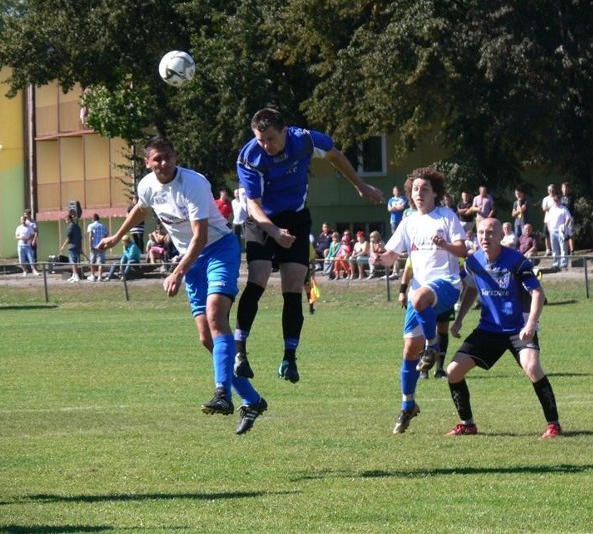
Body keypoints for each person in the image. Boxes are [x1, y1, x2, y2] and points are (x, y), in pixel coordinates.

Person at [97, 136, 267, 435]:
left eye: (167, 157)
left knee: (216, 315)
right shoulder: (147, 185)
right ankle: (252, 399)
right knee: (206, 338)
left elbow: (200, 238)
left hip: (217, 249)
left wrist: (176, 272)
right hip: (192, 261)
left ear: (175, 156)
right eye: (156, 159)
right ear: (147, 163)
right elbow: (141, 207)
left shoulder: (194, 183)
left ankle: (222, 394)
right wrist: (115, 235)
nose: (163, 163)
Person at [234, 107, 384, 384]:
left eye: (270, 138)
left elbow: (335, 154)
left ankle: (289, 358)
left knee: (293, 287)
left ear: (285, 131)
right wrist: (274, 231)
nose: (265, 145)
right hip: (262, 220)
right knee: (258, 278)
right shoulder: (249, 157)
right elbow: (253, 206)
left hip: (295, 218)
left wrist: (360, 185)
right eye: (260, 139)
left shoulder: (304, 140)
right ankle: (240, 353)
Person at [369, 167, 467, 434]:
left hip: (446, 284)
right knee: (410, 351)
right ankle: (407, 405)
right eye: (415, 189)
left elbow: (464, 250)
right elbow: (391, 256)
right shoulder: (409, 221)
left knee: (420, 295)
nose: (419, 193)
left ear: (435, 192)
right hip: (418, 294)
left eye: (425, 189)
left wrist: (445, 245)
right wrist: (378, 257)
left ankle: (433, 346)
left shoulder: (446, 217)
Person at [446, 217, 561, 438]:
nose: (485, 237)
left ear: (501, 236)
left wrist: (531, 324)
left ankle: (554, 425)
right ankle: (467, 424)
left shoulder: (517, 261)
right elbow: (470, 288)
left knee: (533, 368)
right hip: (489, 330)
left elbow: (538, 293)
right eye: (481, 233)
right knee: (453, 371)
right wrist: (459, 318)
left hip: (519, 328)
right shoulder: (474, 262)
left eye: (490, 233)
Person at [547, 194, 572, 269]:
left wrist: (564, 226)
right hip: (553, 231)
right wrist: (549, 229)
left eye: (557, 200)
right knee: (554, 248)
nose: (556, 202)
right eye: (555, 200)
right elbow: (548, 220)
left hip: (561, 231)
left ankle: (564, 263)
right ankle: (555, 263)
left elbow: (568, 218)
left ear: (559, 200)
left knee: (563, 247)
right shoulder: (551, 209)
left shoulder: (563, 208)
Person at [59, 212, 83, 282]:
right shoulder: (77, 226)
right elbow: (80, 237)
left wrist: (63, 246)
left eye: (66, 220)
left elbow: (68, 238)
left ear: (69, 219)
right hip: (77, 246)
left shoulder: (70, 227)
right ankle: (74, 275)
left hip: (72, 246)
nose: (66, 221)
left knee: (73, 262)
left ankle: (76, 276)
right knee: (75, 261)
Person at [86, 213, 109, 281]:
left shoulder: (91, 226)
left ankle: (93, 276)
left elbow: (90, 236)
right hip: (101, 246)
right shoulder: (103, 226)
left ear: (93, 219)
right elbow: (105, 236)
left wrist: (90, 245)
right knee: (101, 262)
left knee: (92, 261)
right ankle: (100, 276)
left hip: (94, 246)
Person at [560, 182, 576, 254]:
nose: (565, 189)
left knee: (570, 233)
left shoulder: (571, 196)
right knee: (563, 234)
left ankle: (572, 250)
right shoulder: (559, 197)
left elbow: (568, 205)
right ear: (561, 189)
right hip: (561, 218)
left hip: (569, 217)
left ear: (568, 189)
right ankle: (565, 250)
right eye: (563, 187)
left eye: (566, 188)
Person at [541, 184, 557, 256]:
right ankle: (548, 250)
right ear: (548, 191)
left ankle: (555, 250)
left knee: (554, 235)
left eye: (552, 189)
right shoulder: (545, 199)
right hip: (547, 220)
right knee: (546, 235)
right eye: (550, 190)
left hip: (556, 220)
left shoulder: (557, 198)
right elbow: (544, 208)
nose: (551, 191)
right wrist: (551, 207)